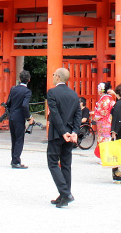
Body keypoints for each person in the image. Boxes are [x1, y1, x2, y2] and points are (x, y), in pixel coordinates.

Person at [46, 68, 81, 208]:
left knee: (53, 162)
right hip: (69, 133)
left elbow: (54, 113)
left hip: (57, 133)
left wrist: (62, 132)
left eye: (54, 75)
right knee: (66, 164)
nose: (53, 77)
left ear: (58, 77)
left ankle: (66, 193)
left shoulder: (52, 92)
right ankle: (64, 196)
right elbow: (78, 114)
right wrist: (74, 131)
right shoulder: (73, 94)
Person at [6, 69, 33, 168]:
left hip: (12, 116)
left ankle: (13, 158)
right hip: (19, 117)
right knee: (19, 139)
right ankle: (16, 161)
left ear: (19, 79)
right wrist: (29, 117)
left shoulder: (13, 89)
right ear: (29, 80)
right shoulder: (27, 91)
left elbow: (8, 103)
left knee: (14, 138)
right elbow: (25, 105)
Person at [92, 82, 116, 146]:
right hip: (107, 121)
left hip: (104, 123)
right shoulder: (108, 98)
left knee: (104, 141)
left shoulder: (104, 100)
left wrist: (96, 113)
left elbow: (103, 112)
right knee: (106, 140)